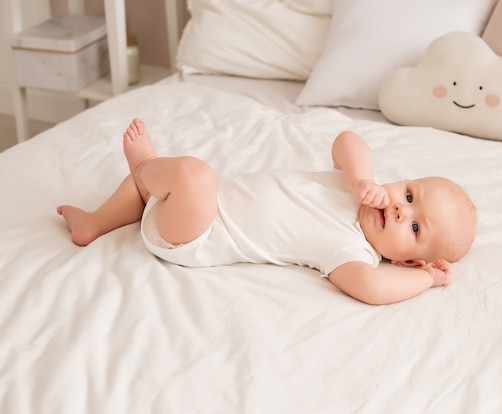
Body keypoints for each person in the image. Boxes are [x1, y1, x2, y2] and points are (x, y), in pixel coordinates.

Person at [57, 118, 476, 305]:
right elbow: (348, 139)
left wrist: (425, 279)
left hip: (196, 235)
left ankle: (146, 162)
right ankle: (94, 223)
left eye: (416, 226)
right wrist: (362, 179)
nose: (402, 210)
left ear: (405, 259)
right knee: (153, 190)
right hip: (184, 208)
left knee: (193, 175)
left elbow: (373, 289)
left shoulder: (350, 251)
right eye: (408, 194)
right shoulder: (353, 185)